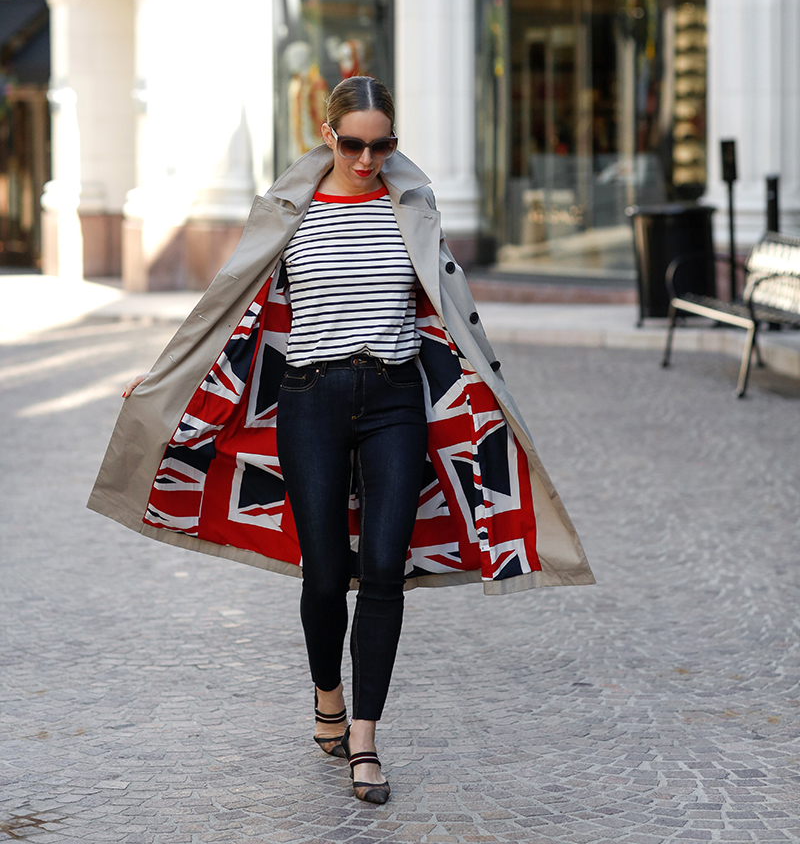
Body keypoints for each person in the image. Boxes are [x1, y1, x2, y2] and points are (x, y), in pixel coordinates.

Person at [99, 75, 594, 807]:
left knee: (386, 572)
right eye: (355, 143)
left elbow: (454, 313)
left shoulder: (412, 209)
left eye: (383, 144)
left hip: (395, 401)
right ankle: (327, 691)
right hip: (310, 402)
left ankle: (364, 738)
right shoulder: (289, 215)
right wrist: (165, 378)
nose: (368, 158)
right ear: (327, 135)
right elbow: (225, 307)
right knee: (327, 574)